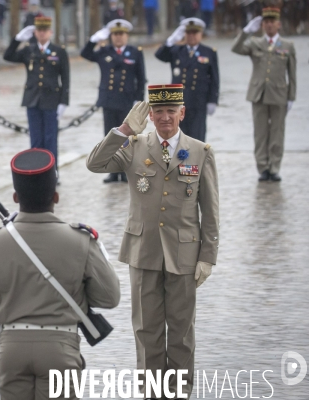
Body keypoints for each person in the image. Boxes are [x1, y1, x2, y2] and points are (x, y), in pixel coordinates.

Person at [86, 85, 219, 399]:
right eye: (158, 112)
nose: (164, 118)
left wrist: (208, 256)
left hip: (184, 255)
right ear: (150, 115)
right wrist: (124, 129)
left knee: (182, 333)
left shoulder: (200, 151)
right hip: (143, 252)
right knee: (147, 331)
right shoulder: (134, 145)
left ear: (182, 113)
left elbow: (210, 210)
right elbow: (95, 163)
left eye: (171, 111)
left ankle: (180, 392)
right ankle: (151, 393)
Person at [0, 148, 120, 400]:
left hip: (12, 351)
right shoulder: (81, 240)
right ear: (56, 196)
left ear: (16, 196)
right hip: (60, 347)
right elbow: (109, 298)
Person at [231, 7, 296, 182]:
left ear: (278, 24)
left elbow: (293, 74)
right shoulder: (255, 43)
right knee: (260, 134)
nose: (268, 25)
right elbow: (236, 48)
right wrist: (245, 32)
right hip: (258, 94)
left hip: (279, 95)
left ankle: (274, 168)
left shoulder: (287, 46)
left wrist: (291, 96)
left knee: (277, 133)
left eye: (271, 22)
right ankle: (263, 168)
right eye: (265, 22)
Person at [81, 19, 145, 183]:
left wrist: (138, 99)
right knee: (109, 136)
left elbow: (141, 77)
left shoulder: (135, 52)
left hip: (126, 99)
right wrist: (93, 40)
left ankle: (124, 170)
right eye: (115, 34)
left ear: (126, 36)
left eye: (121, 34)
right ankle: (111, 170)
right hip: (109, 99)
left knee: (126, 137)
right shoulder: (104, 51)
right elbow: (85, 54)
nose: (118, 37)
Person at [3, 16, 70, 167]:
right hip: (32, 99)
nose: (42, 33)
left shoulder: (59, 51)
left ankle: (52, 173)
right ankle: (37, 173)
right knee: (35, 141)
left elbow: (65, 78)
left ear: (50, 32)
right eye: (39, 30)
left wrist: (64, 101)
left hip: (51, 100)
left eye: (45, 31)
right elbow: (7, 56)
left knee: (50, 140)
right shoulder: (28, 50)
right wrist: (17, 39)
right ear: (35, 32)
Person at [155, 18, 219, 143]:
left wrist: (213, 100)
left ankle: (195, 163)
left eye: (194, 33)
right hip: (178, 103)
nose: (191, 36)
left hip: (199, 102)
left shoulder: (208, 52)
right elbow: (159, 55)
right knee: (176, 139)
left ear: (200, 34)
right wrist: (170, 41)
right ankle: (178, 163)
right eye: (188, 33)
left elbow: (214, 79)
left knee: (197, 138)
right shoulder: (177, 51)